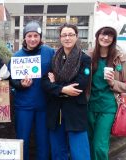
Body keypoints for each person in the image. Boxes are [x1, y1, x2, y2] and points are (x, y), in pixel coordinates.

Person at [41, 23, 92, 160]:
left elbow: (80, 84)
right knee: (58, 152)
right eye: (64, 35)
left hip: (75, 111)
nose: (67, 38)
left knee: (80, 153)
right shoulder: (54, 58)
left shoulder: (84, 59)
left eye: (71, 34)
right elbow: (45, 83)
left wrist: (55, 86)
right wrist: (63, 89)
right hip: (55, 111)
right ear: (60, 38)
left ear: (76, 37)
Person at [9, 21, 55, 160]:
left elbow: (58, 69)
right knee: (22, 140)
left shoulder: (49, 52)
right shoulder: (16, 56)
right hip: (23, 105)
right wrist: (21, 84)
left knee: (43, 141)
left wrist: (55, 78)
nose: (33, 39)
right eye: (29, 35)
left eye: (36, 35)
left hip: (44, 105)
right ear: (24, 37)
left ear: (40, 37)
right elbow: (11, 80)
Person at [87, 26, 126, 160]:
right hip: (89, 105)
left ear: (113, 39)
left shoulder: (119, 58)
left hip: (108, 106)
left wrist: (113, 83)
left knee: (99, 144)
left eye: (109, 36)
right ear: (97, 36)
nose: (105, 38)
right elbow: (82, 77)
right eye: (103, 34)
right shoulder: (88, 56)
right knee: (88, 142)